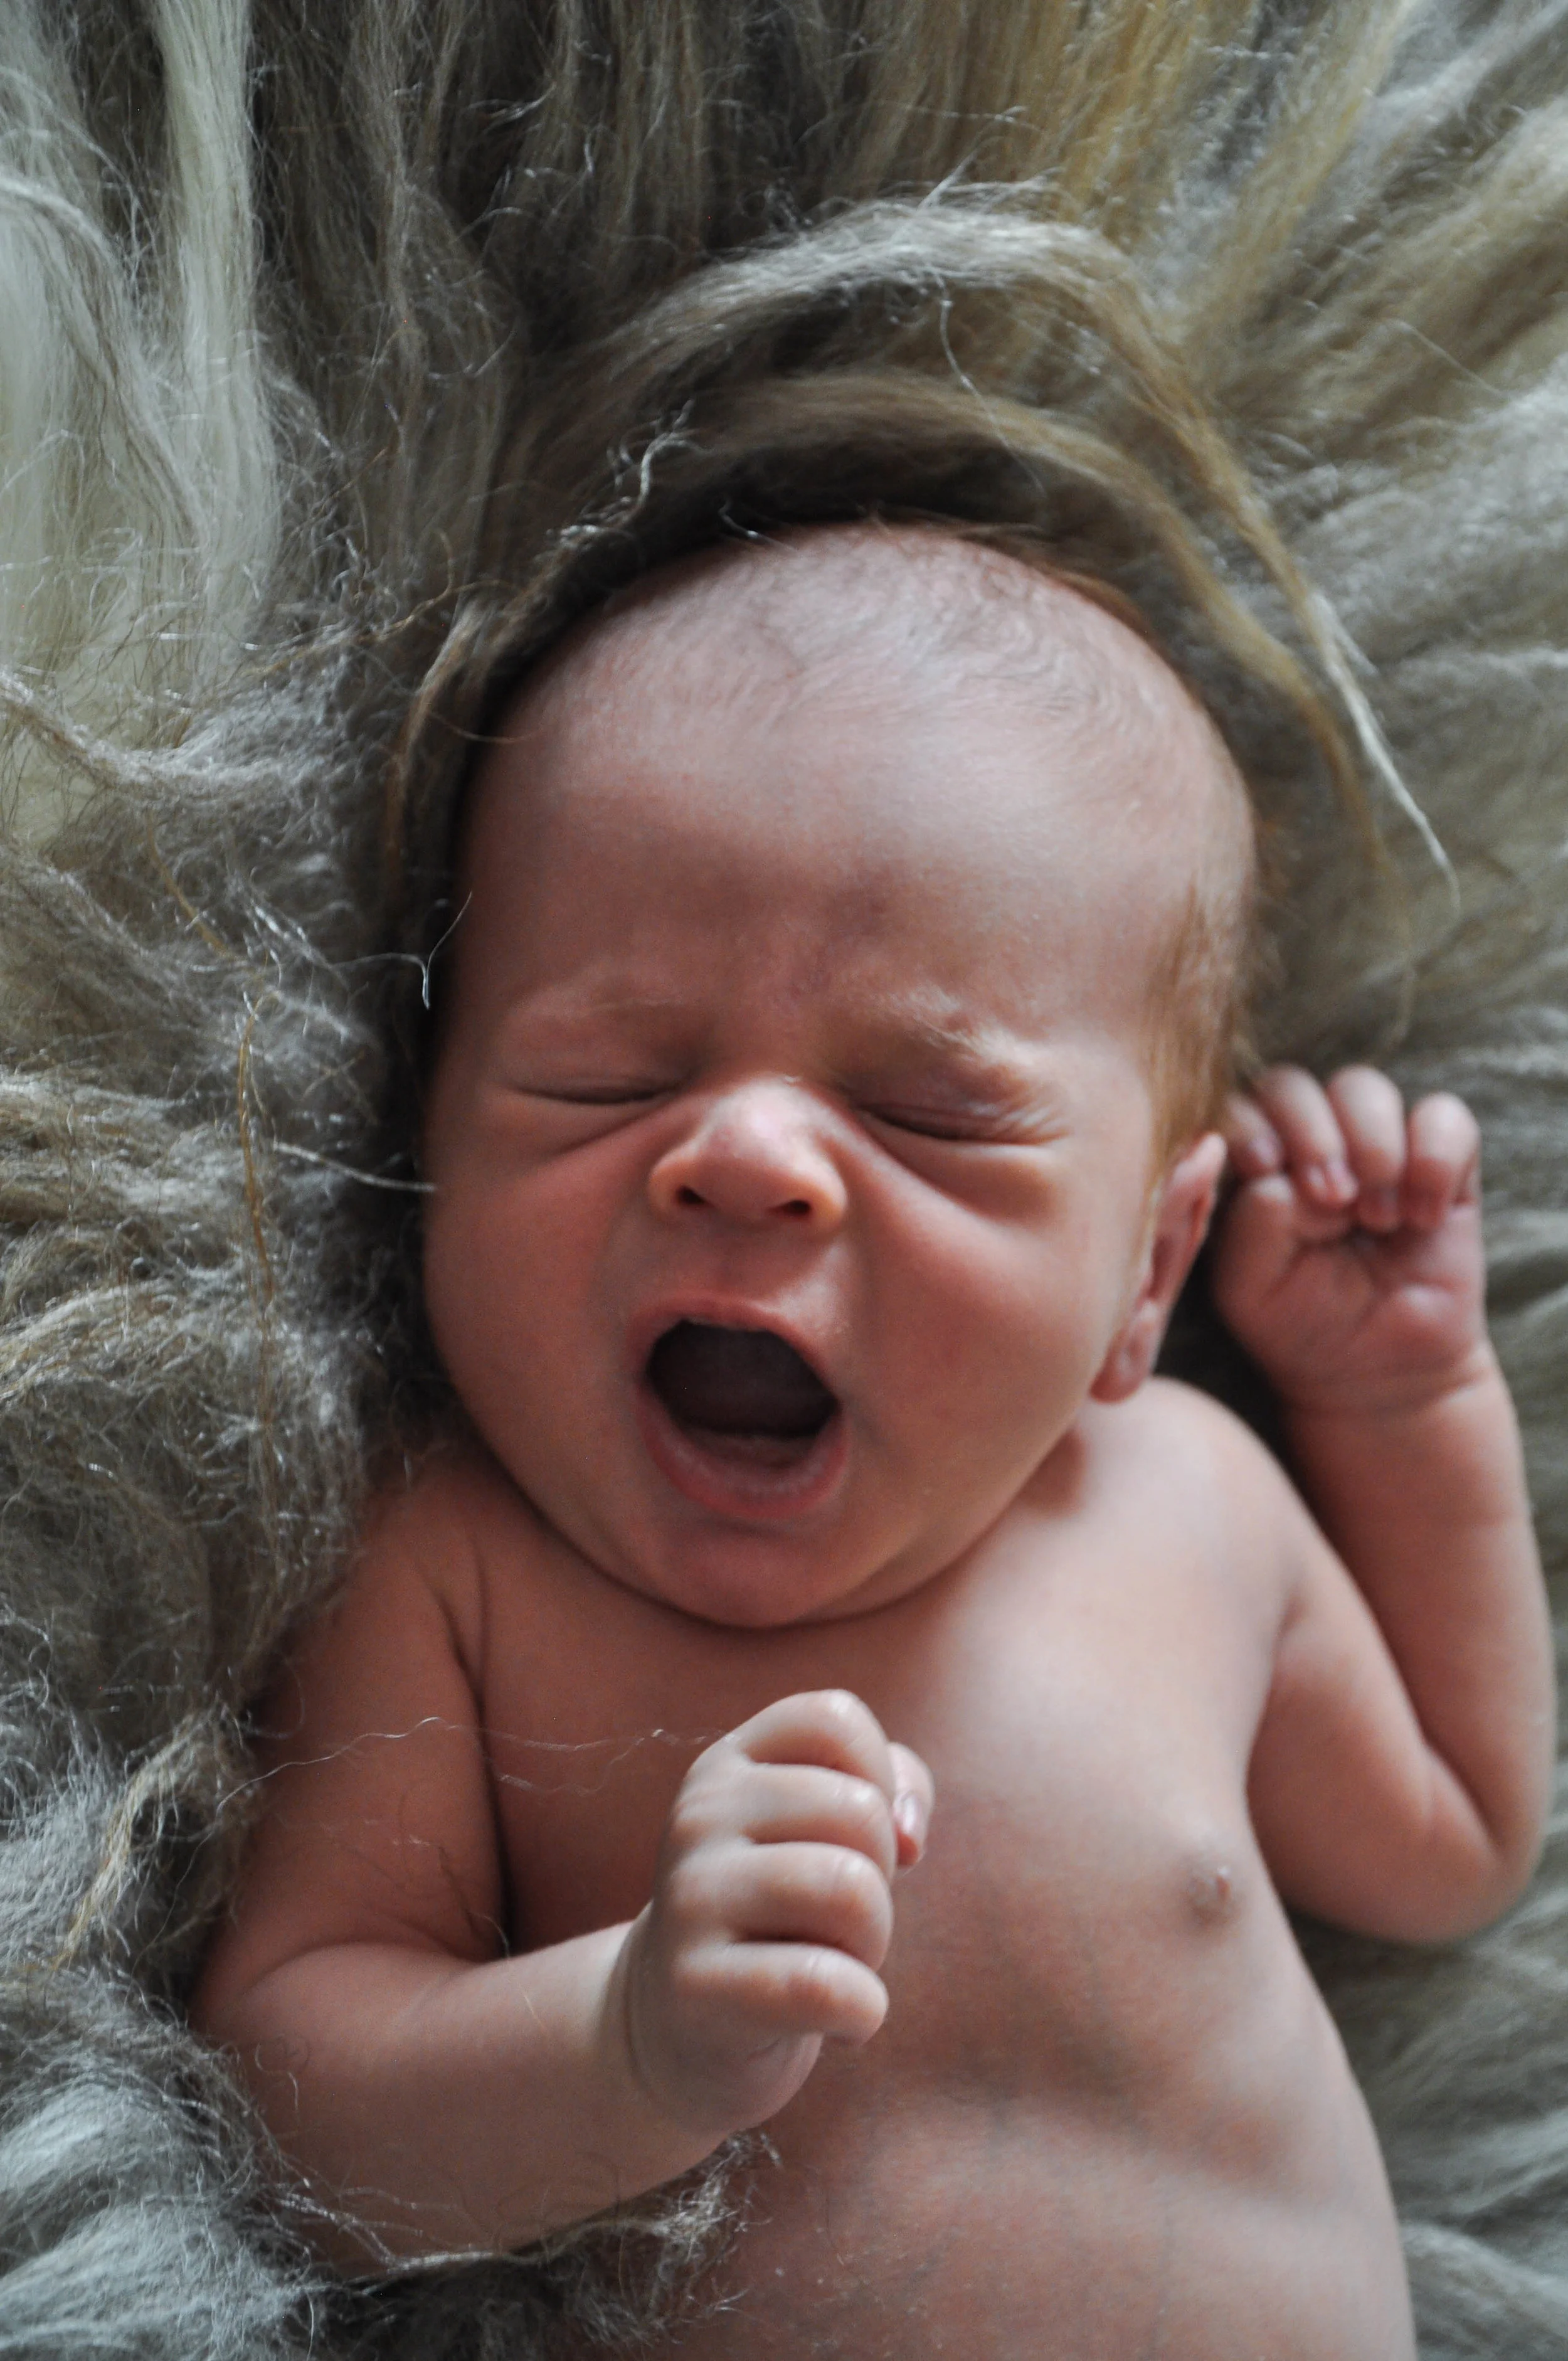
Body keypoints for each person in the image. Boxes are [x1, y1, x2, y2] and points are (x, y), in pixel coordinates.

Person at [192, 521, 1554, 2358]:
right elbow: (289, 2107)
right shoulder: (459, 1569)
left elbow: (1455, 1841)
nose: (745, 1153)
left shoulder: (1187, 1509)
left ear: (1146, 1268)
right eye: (606, 1072)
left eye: (926, 1110)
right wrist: (628, 2042)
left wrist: (1399, 1404)